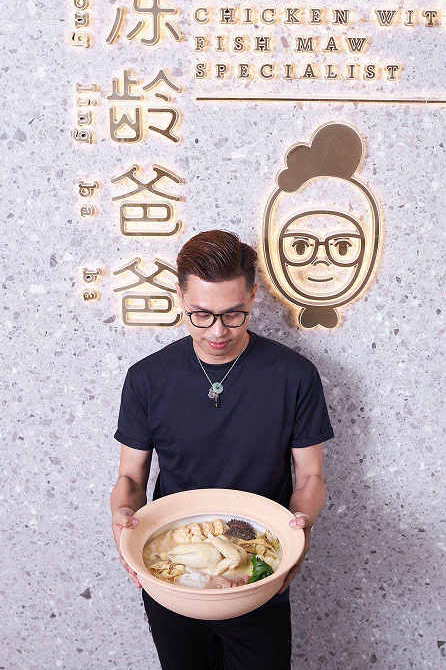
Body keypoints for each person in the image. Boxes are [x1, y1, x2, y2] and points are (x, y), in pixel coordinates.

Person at [110, 229, 335, 670]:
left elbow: (310, 477)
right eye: (201, 315)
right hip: (174, 562)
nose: (217, 331)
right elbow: (131, 478)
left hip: (259, 563)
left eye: (234, 314)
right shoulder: (147, 378)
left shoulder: (295, 375)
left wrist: (300, 530)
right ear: (180, 297)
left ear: (253, 296)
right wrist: (121, 516)